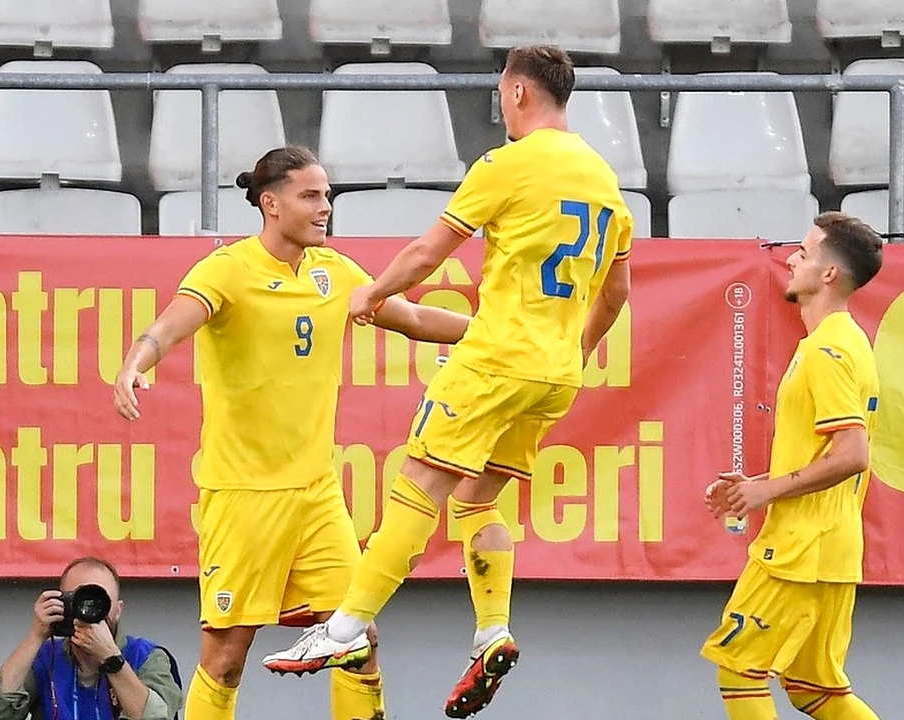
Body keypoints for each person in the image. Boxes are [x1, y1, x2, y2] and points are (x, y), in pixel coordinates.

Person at [261, 44, 634, 719]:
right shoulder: (606, 182)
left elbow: (429, 252)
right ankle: (492, 628)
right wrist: (573, 350)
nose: (501, 102)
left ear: (519, 92)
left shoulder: (507, 165)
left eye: (501, 91)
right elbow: (617, 294)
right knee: (476, 500)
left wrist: (369, 295)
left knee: (418, 483)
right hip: (556, 372)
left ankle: (344, 629)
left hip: (494, 356)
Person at [112, 145, 471, 720]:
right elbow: (171, 324)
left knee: (356, 639)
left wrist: (489, 337)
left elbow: (416, 318)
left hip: (316, 492)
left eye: (327, 194)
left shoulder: (337, 272)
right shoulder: (227, 269)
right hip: (243, 497)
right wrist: (137, 361)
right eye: (311, 195)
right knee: (227, 658)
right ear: (271, 203)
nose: (325, 206)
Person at [700, 211, 884, 720]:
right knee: (814, 688)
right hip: (833, 546)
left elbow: (852, 454)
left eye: (803, 253)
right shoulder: (847, 341)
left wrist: (767, 492)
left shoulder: (828, 349)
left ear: (828, 274)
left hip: (802, 547)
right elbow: (829, 455)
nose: (790, 258)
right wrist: (755, 485)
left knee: (740, 669)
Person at [0, 556, 184, 720]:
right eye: (80, 599)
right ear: (62, 603)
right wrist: (37, 635)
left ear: (117, 610)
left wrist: (111, 659)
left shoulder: (147, 657)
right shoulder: (45, 657)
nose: (88, 611)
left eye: (100, 601)